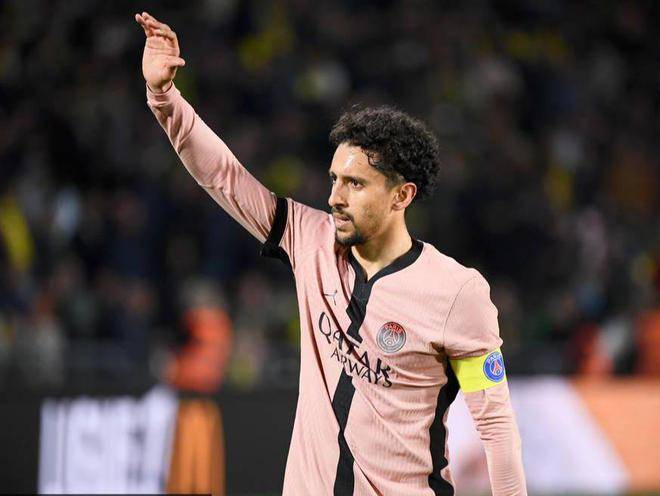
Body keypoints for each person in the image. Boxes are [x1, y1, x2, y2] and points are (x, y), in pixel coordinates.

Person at [135, 11, 527, 495]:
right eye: (334, 179)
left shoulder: (456, 293)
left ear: (401, 195)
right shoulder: (309, 240)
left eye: (355, 184)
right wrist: (164, 97)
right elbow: (224, 177)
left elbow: (496, 428)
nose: (335, 197)